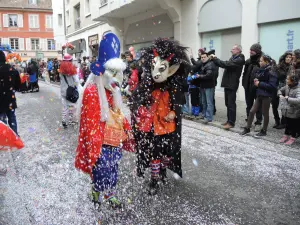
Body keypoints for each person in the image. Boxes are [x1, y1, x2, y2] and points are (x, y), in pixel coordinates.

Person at [75, 33, 132, 209]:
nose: (116, 78)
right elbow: (89, 121)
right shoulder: (92, 92)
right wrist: (94, 144)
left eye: (118, 73)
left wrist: (126, 127)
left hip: (113, 139)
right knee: (101, 169)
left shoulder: (113, 91)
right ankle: (97, 190)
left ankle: (110, 194)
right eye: (112, 72)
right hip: (100, 140)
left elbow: (118, 112)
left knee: (113, 168)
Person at [131, 38, 189, 195]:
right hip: (151, 127)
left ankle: (162, 172)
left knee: (166, 153)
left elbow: (178, 103)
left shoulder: (173, 87)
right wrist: (141, 110)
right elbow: (137, 101)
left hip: (166, 127)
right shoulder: (146, 85)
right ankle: (154, 179)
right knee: (154, 153)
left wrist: (173, 112)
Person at [241, 55, 277, 137]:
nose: (259, 62)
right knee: (251, 111)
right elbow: (259, 79)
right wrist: (256, 81)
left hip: (267, 96)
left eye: (261, 61)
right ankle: (247, 128)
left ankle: (264, 130)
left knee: (265, 113)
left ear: (266, 62)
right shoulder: (262, 69)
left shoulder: (271, 71)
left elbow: (272, 86)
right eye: (259, 61)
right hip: (260, 94)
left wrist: (259, 83)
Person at [211, 45, 245, 129]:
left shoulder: (239, 59)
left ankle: (231, 122)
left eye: (233, 49)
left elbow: (227, 64)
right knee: (227, 103)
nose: (231, 50)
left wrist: (215, 59)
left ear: (238, 50)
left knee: (231, 104)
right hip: (228, 83)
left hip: (232, 84)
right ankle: (228, 120)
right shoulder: (233, 57)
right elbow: (226, 63)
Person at [242, 43, 263, 131]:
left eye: (252, 50)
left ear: (257, 51)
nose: (250, 52)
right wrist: (244, 83)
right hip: (247, 87)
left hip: (257, 88)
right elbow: (245, 73)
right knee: (249, 105)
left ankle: (258, 122)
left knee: (258, 106)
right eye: (250, 50)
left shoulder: (261, 61)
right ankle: (249, 121)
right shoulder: (248, 61)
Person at [0, 50, 21, 135]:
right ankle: (15, 135)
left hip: (0, 99)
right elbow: (18, 84)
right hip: (10, 97)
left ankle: (4, 138)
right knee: (12, 117)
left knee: (2, 119)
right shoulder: (12, 69)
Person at [59, 54, 81, 128]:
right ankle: (71, 121)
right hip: (70, 92)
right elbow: (77, 81)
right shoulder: (73, 71)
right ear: (70, 61)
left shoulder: (61, 71)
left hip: (63, 91)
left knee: (64, 107)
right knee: (71, 107)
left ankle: (64, 121)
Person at [278, 74, 300, 145]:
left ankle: (292, 137)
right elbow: (279, 90)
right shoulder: (287, 86)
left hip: (295, 111)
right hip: (287, 109)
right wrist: (280, 95)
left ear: (293, 81)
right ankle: (285, 136)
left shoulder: (298, 89)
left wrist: (288, 98)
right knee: (287, 123)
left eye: (288, 79)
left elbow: (298, 100)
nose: (286, 80)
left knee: (294, 125)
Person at [273, 51, 293, 129]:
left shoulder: (292, 67)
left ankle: (283, 123)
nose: (288, 58)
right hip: (276, 88)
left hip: (286, 89)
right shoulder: (278, 66)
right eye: (287, 57)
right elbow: (275, 77)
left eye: (290, 57)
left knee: (283, 107)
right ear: (284, 58)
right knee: (274, 105)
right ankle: (277, 121)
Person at [195, 52, 215, 123]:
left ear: (207, 57)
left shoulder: (210, 64)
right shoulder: (203, 64)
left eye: (204, 57)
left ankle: (209, 117)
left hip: (209, 86)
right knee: (204, 101)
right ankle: (204, 115)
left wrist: (199, 76)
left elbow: (209, 75)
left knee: (209, 102)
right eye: (202, 57)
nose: (203, 58)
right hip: (203, 85)